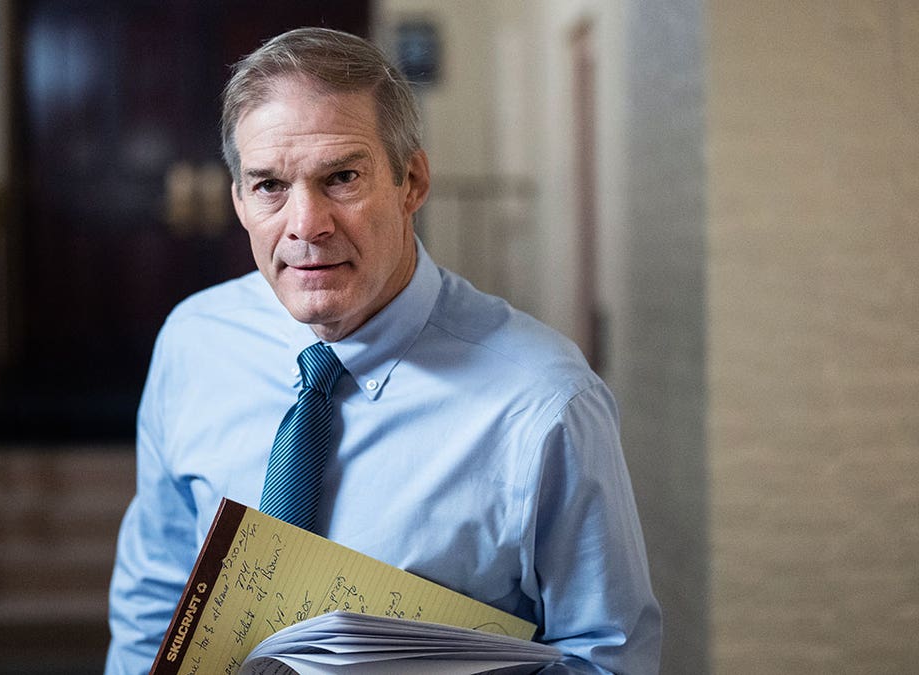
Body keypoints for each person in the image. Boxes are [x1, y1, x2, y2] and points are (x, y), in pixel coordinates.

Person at [106, 27, 661, 674]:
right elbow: (155, 596)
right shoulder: (194, 342)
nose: (306, 224)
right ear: (238, 200)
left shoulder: (546, 403)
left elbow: (609, 660)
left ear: (413, 180)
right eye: (268, 186)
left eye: (341, 177)